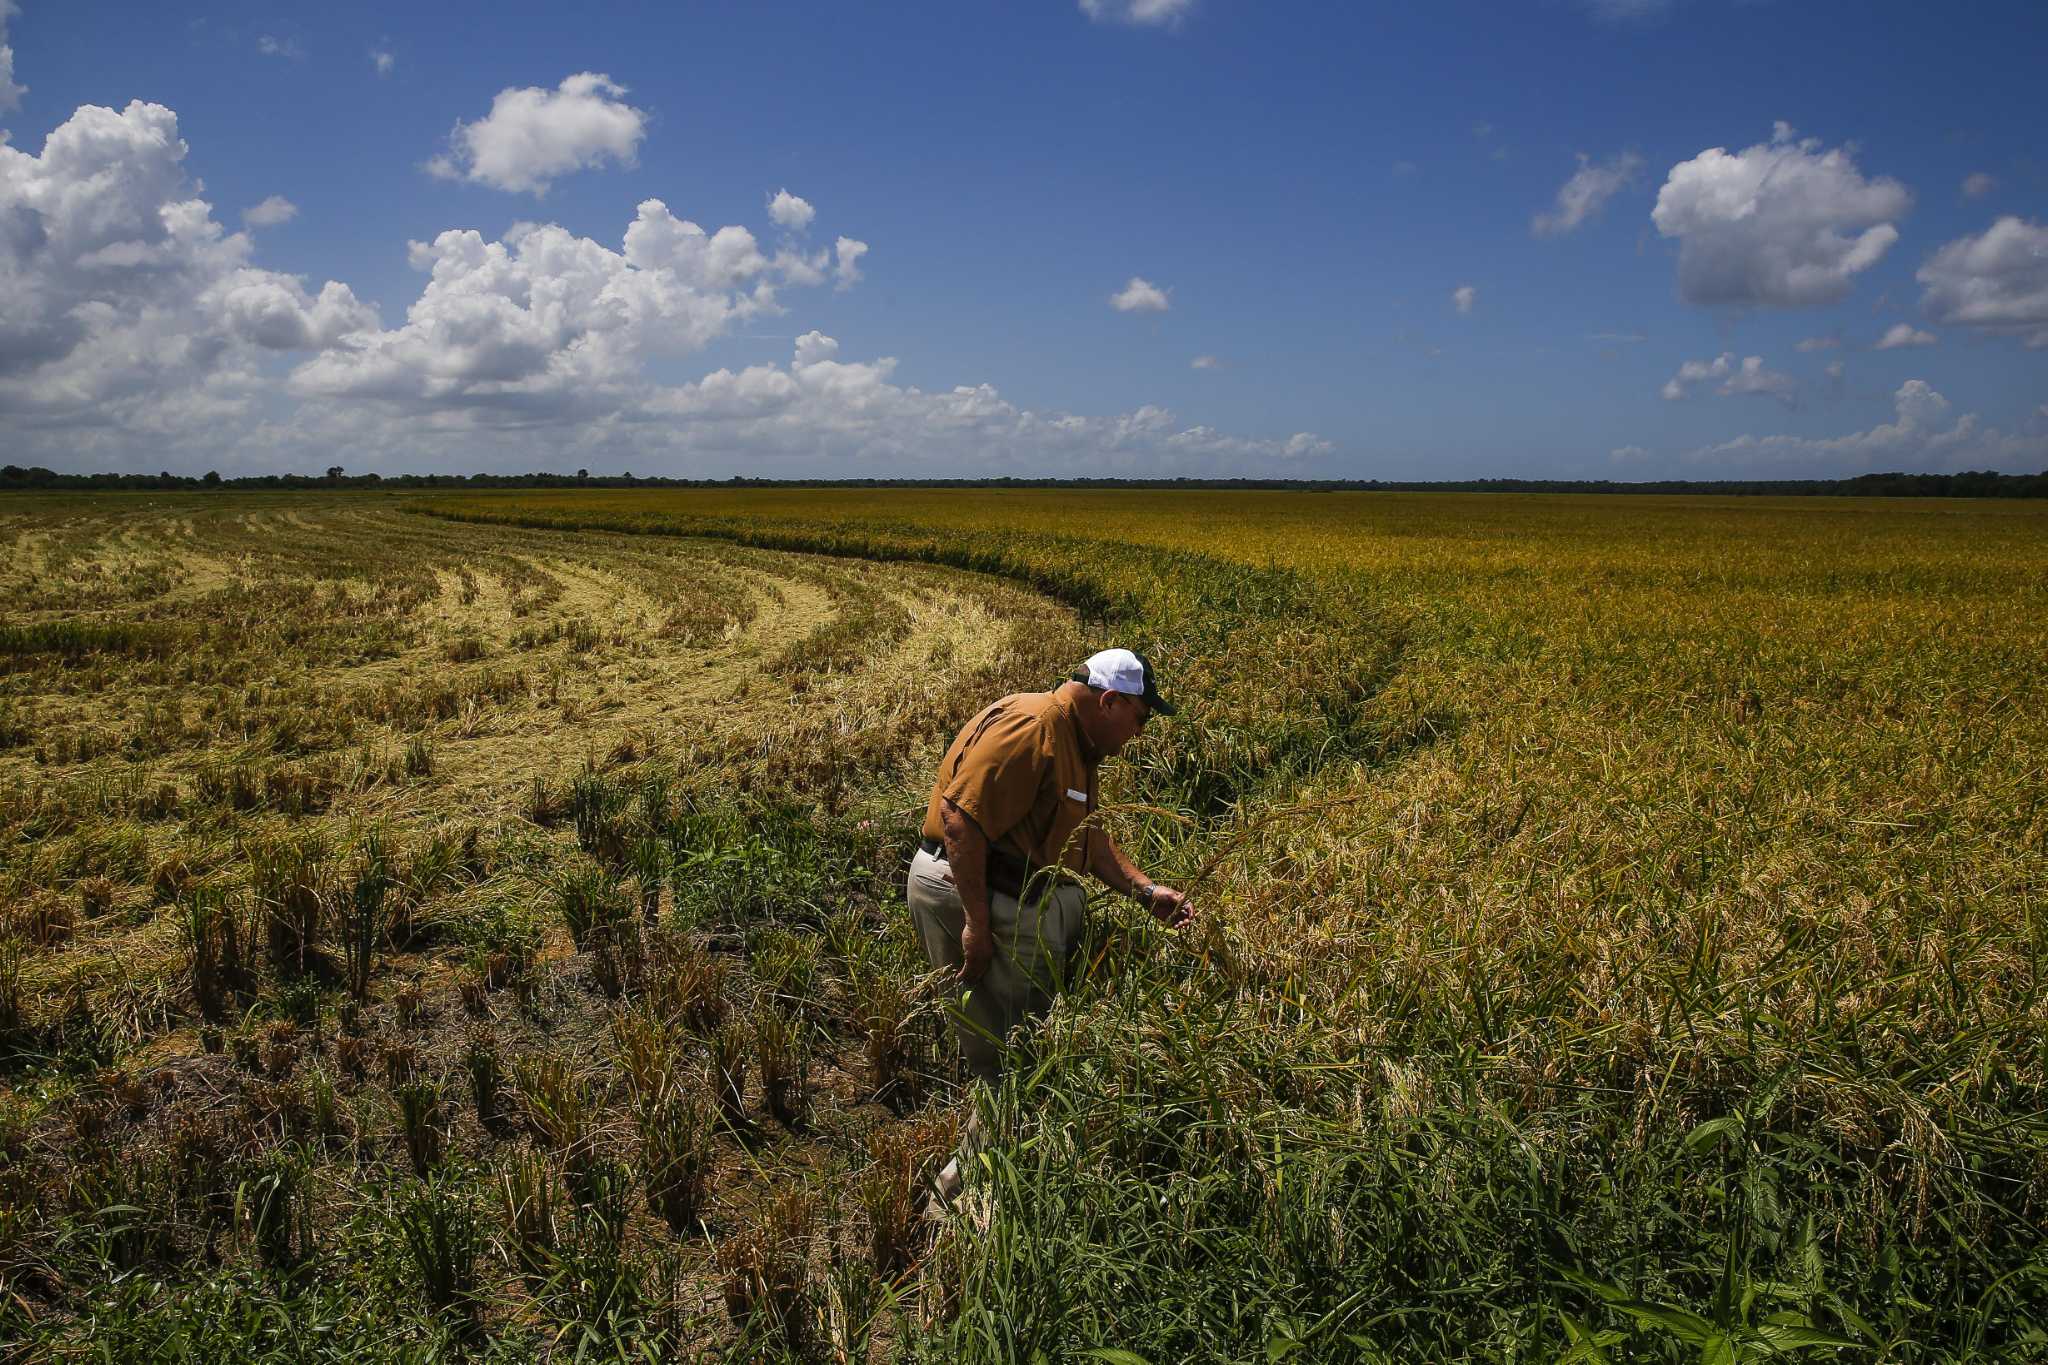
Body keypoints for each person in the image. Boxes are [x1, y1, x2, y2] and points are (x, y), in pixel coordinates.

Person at [907, 647, 1194, 1204]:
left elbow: (1086, 837)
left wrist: (1145, 891)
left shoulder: (1076, 745)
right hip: (977, 893)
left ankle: (981, 1176)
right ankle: (968, 1197)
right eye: (1140, 719)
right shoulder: (1033, 727)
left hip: (1009, 895)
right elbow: (960, 823)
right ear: (1111, 701)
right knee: (1013, 1056)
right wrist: (977, 925)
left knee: (1020, 1051)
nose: (1137, 734)